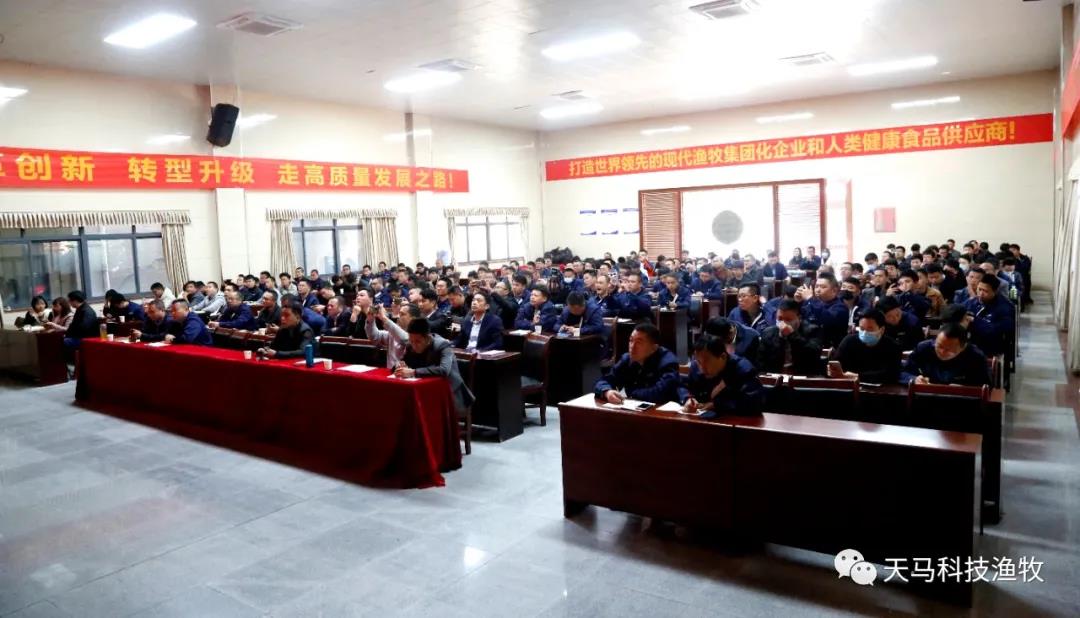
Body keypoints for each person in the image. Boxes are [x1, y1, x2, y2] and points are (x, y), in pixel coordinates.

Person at [594, 323, 684, 404]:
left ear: (654, 348)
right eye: (631, 340)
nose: (632, 347)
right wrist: (607, 392)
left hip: (663, 412)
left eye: (639, 343)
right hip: (634, 408)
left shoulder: (668, 362)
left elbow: (659, 394)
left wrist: (630, 392)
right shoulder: (626, 359)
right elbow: (604, 381)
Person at [398, 318, 475, 413]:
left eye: (418, 342)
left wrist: (413, 372)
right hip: (425, 390)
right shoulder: (411, 345)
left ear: (428, 338)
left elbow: (444, 370)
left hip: (450, 392)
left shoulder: (443, 345)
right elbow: (403, 361)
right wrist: (399, 366)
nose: (414, 345)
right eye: (411, 341)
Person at [682, 334, 766, 417]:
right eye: (699, 361)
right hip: (701, 419)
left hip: (734, 421)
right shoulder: (695, 367)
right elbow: (685, 388)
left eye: (707, 361)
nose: (702, 368)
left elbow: (754, 403)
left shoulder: (744, 370)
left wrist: (717, 405)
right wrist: (688, 399)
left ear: (723, 357)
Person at [900, 323, 990, 386]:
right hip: (925, 397)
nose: (942, 352)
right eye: (939, 346)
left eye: (949, 349)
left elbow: (986, 386)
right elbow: (902, 372)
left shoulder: (975, 356)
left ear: (963, 347)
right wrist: (914, 379)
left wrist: (965, 389)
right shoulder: (924, 348)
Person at [832, 309, 901, 384]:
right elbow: (837, 364)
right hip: (849, 386)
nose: (865, 333)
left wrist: (858, 376)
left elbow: (892, 375)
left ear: (882, 330)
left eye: (870, 329)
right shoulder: (848, 341)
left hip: (881, 389)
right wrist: (832, 370)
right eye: (862, 328)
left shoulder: (893, 346)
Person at [758, 299, 824, 375]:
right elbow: (762, 362)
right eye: (780, 319)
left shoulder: (813, 330)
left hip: (803, 377)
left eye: (788, 319)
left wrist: (792, 335)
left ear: (799, 318)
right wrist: (780, 338)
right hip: (776, 376)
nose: (783, 323)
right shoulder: (768, 333)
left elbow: (813, 355)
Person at [962, 275, 1015, 358]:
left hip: (991, 346)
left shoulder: (1005, 308)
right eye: (979, 289)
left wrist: (974, 320)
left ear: (995, 291)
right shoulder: (973, 301)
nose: (981, 294)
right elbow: (959, 309)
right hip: (970, 342)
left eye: (985, 291)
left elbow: (996, 331)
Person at [797, 273, 848, 348]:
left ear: (834, 290)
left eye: (823, 287)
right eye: (816, 286)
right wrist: (797, 302)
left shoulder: (841, 308)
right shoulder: (812, 303)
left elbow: (826, 319)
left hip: (829, 348)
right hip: (809, 345)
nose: (818, 290)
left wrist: (810, 298)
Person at [367, 303, 415, 368]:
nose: (398, 316)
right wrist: (370, 320)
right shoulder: (392, 333)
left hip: (408, 372)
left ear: (413, 319)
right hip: (390, 372)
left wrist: (383, 317)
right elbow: (374, 337)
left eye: (402, 314)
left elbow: (404, 339)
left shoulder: (417, 335)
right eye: (399, 314)